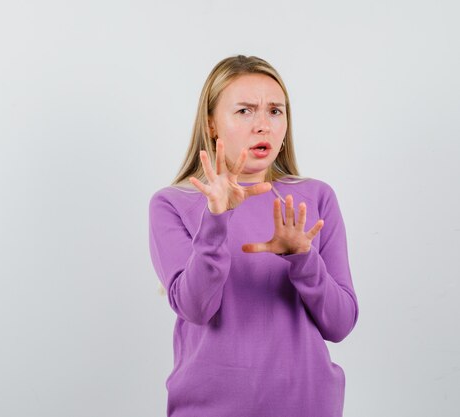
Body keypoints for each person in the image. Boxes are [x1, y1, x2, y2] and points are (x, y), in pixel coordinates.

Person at [148, 55, 359, 417]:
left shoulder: (315, 197)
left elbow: (340, 324)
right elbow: (197, 308)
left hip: (308, 407)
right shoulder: (172, 203)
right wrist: (216, 218)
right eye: (245, 111)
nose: (263, 124)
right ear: (212, 124)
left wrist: (303, 259)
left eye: (275, 111)